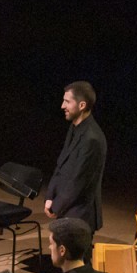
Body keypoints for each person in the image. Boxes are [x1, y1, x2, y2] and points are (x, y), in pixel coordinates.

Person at [43, 81, 107, 231]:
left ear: (82, 105)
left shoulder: (92, 138)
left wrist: (56, 206)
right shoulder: (74, 127)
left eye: (67, 101)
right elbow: (61, 164)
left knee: (72, 255)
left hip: (80, 214)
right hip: (67, 206)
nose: (62, 106)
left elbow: (79, 181)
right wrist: (49, 197)